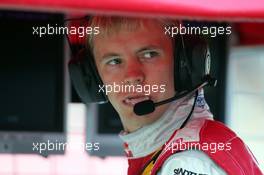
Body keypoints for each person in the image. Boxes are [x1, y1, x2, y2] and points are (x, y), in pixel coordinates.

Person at [77, 16, 263, 175]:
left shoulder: (188, 161)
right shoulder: (169, 152)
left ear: (183, 64)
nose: (132, 76)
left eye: (149, 54)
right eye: (114, 61)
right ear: (93, 78)